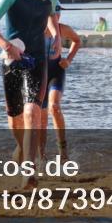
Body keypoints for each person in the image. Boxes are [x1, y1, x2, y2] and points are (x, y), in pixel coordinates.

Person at [0, 0, 60, 189]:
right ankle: (21, 149)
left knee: (32, 112)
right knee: (16, 120)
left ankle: (29, 172)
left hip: (38, 60)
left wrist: (56, 36)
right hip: (12, 60)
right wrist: (6, 45)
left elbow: (51, 16)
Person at [40, 17, 82, 161]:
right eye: (52, 13)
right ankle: (41, 154)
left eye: (57, 13)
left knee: (55, 107)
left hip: (56, 71)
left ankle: (63, 151)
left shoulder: (63, 28)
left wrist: (68, 60)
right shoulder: (34, 27)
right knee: (41, 115)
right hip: (38, 74)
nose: (55, 16)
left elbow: (77, 41)